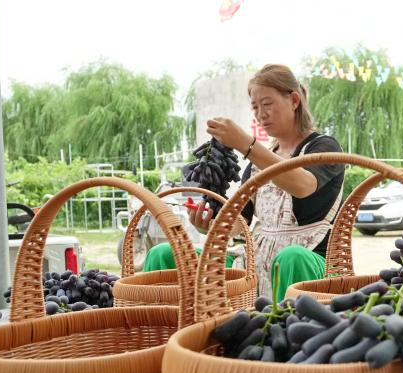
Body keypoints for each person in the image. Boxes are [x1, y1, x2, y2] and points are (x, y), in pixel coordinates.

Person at [145, 64, 345, 302]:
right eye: (255, 107)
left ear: (294, 100)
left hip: (312, 264)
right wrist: (209, 225)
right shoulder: (257, 164)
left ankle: (288, 324)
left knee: (291, 257)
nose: (261, 114)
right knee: (165, 254)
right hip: (256, 259)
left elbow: (303, 186)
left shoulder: (324, 147)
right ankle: (168, 322)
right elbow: (239, 222)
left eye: (267, 104)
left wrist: (245, 144)